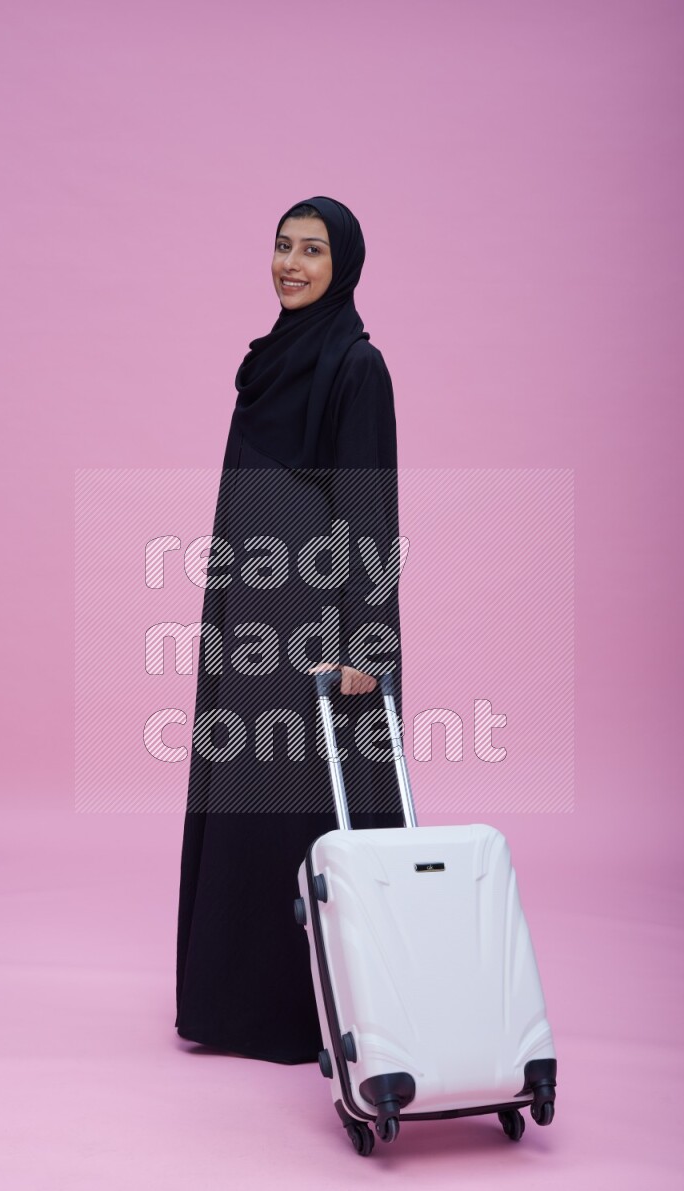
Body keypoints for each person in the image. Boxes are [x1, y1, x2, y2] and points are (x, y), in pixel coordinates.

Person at [175, 196, 405, 1065]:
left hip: (316, 616)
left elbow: (371, 509)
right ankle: (233, 1004)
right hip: (250, 605)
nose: (292, 264)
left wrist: (363, 639)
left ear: (343, 264)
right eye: (282, 247)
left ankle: (311, 1014)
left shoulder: (356, 368)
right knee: (246, 790)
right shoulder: (268, 362)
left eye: (312, 250)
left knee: (304, 795)